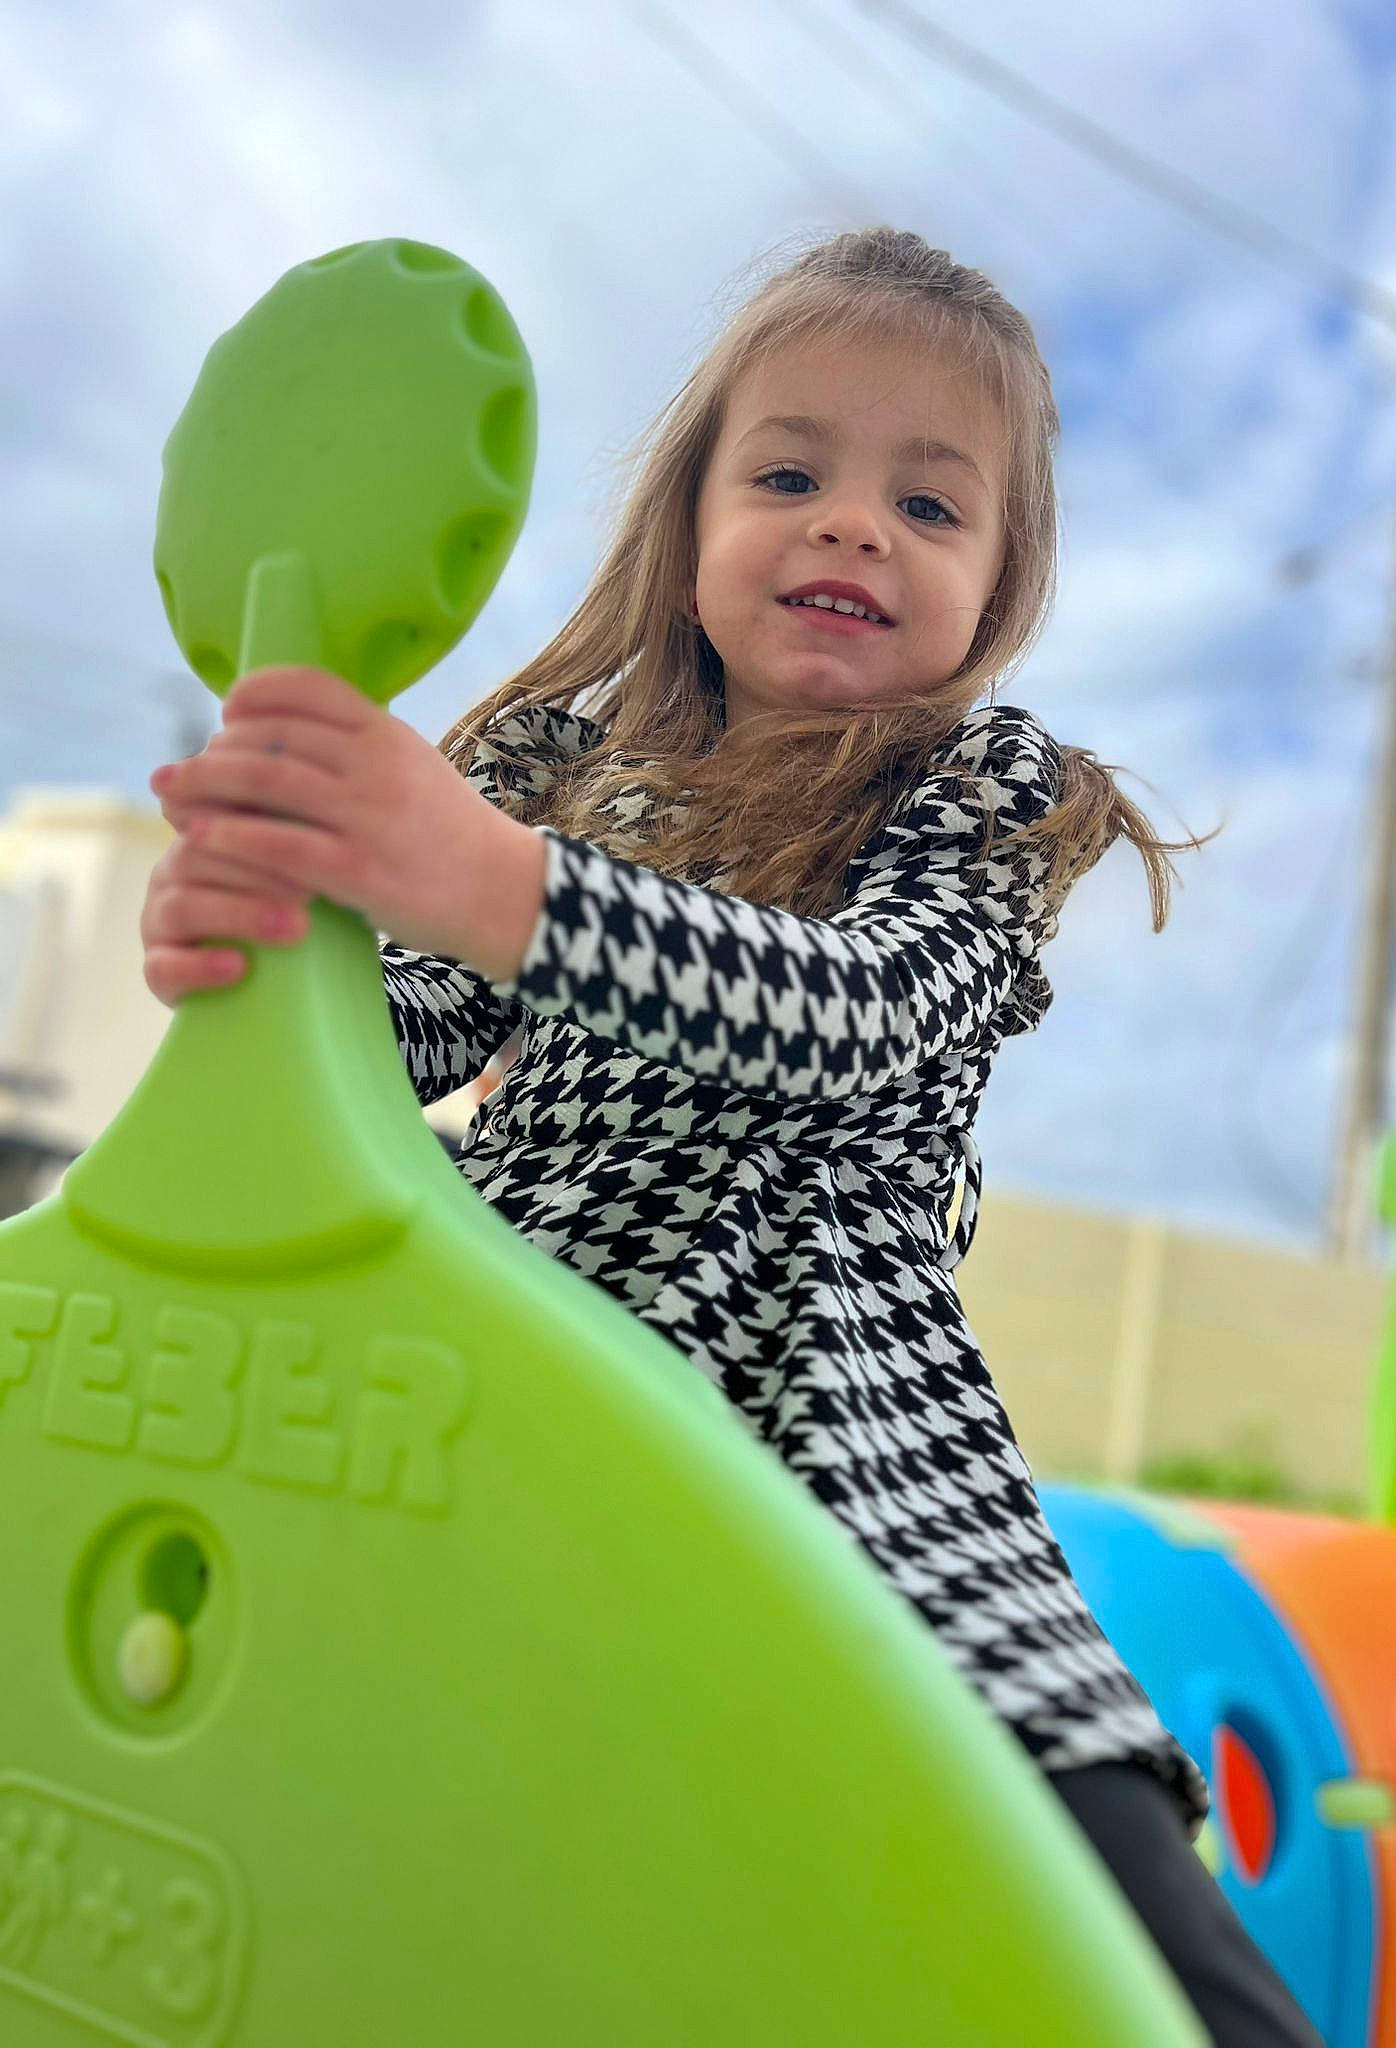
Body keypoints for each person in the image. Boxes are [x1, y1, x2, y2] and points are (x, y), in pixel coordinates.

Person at [141, 227, 1322, 2047]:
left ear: (1000, 585)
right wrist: (264, 948)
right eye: (792, 474)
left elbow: (847, 1017)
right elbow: (391, 1046)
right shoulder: (550, 764)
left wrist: (489, 884)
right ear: (691, 523)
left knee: (1079, 1872)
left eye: (931, 507)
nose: (854, 525)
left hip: (825, 1404)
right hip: (509, 1357)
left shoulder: (990, 794)